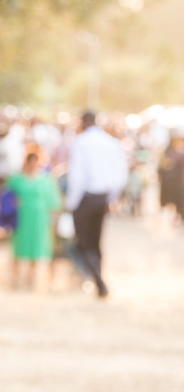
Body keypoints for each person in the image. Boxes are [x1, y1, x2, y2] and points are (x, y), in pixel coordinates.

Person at [66, 110, 128, 298]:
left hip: (85, 198)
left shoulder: (81, 143)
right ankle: (98, 278)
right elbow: (120, 174)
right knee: (95, 240)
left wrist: (71, 202)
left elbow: (77, 175)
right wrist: (111, 197)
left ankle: (98, 281)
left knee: (83, 242)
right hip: (102, 197)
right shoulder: (111, 142)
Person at [5, 150, 61, 290]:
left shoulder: (46, 180)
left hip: (39, 218)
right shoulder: (17, 179)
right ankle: (15, 278)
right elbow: (6, 196)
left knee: (36, 246)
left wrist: (54, 219)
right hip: (23, 216)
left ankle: (32, 278)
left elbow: (54, 201)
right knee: (20, 246)